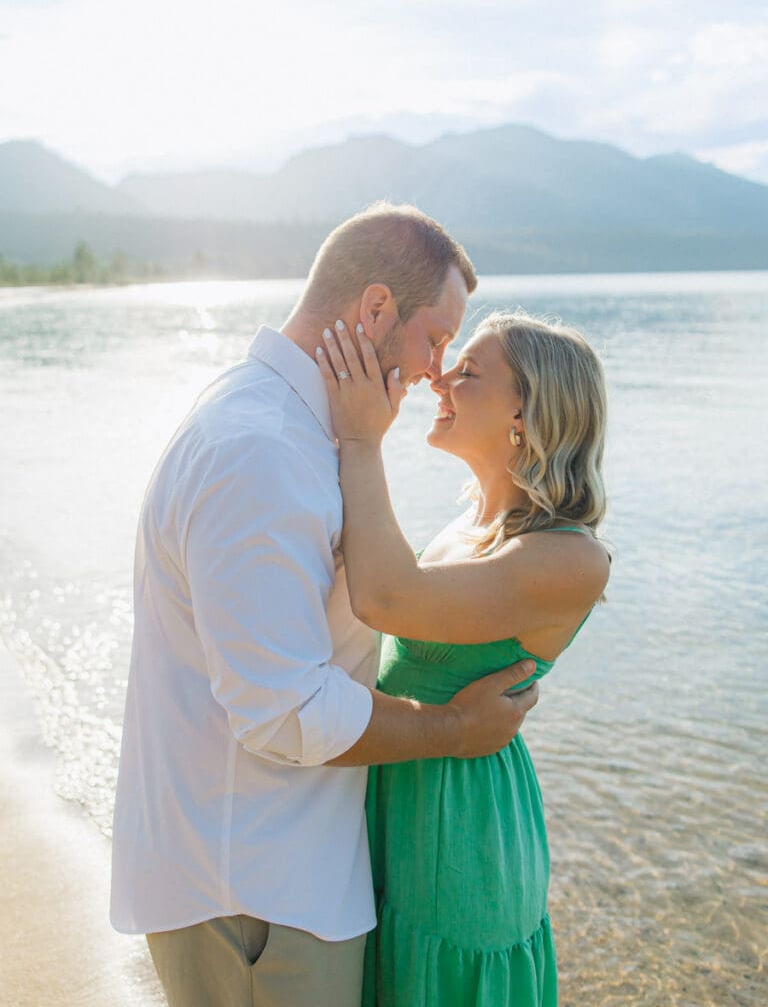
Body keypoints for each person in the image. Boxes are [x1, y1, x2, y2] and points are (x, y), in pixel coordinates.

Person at [110, 203, 540, 1007]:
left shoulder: (294, 430)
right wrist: (452, 730)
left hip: (271, 878)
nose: (436, 371)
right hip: (254, 894)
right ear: (374, 308)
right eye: (435, 337)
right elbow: (281, 711)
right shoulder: (260, 453)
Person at [316, 308, 610, 1007]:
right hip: (404, 796)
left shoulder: (570, 557)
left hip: (463, 832)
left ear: (525, 414)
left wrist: (360, 436)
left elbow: (386, 597)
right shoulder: (474, 520)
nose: (441, 379)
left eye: (469, 372)